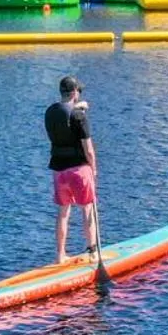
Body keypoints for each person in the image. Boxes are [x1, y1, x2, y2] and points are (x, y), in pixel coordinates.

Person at [44, 75, 98, 266]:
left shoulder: (50, 112)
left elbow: (65, 117)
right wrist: (94, 168)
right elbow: (88, 149)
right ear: (74, 92)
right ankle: (93, 252)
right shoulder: (79, 116)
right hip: (78, 169)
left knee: (63, 212)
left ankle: (60, 255)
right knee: (87, 208)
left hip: (58, 170)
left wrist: (79, 108)